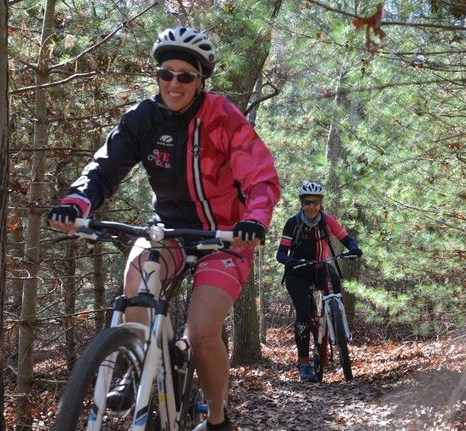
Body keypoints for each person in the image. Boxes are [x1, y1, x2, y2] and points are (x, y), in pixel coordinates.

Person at [48, 26, 280, 431]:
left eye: (185, 76)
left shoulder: (222, 117)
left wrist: (255, 219)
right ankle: (135, 364)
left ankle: (217, 419)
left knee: (203, 330)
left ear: (200, 80)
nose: (174, 83)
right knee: (136, 286)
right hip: (168, 231)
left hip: (225, 235)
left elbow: (260, 176)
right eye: (166, 74)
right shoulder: (143, 118)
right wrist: (76, 202)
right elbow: (103, 168)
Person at [275, 181, 362, 382]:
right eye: (307, 202)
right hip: (297, 271)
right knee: (304, 314)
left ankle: (335, 320)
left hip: (320, 267)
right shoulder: (293, 223)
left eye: (315, 202)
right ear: (301, 203)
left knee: (334, 282)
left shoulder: (327, 221)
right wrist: (291, 260)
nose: (311, 206)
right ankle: (304, 363)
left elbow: (346, 239)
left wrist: (354, 248)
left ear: (321, 203)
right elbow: (281, 253)